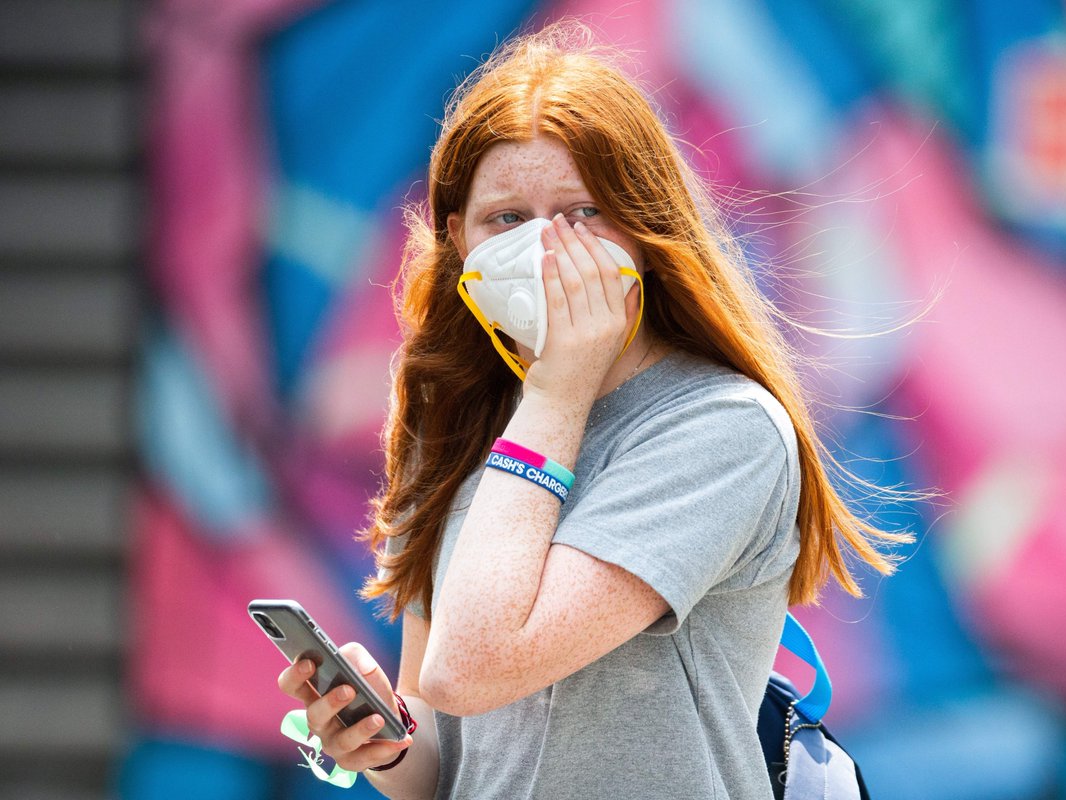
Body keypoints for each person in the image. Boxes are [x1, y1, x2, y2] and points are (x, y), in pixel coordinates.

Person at [277, 20, 913, 800]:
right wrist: (384, 745)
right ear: (458, 240)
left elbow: (473, 664)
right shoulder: (451, 428)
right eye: (507, 219)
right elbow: (449, 756)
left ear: (645, 232)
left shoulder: (723, 430)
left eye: (581, 214)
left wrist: (555, 389)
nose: (545, 248)